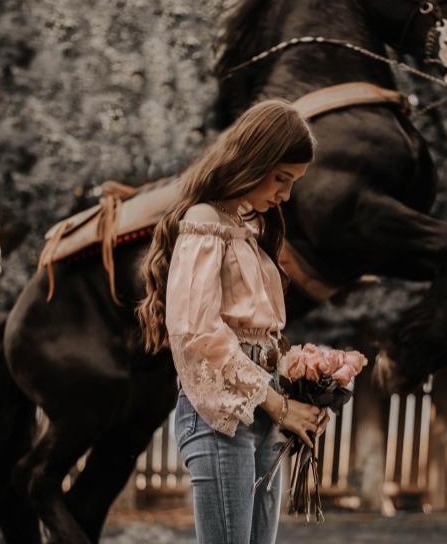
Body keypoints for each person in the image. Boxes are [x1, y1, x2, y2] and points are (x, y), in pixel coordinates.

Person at [137, 99, 330, 544]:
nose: (285, 194)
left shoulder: (247, 227)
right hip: (219, 416)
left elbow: (255, 330)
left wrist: (298, 380)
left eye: (293, 183)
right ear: (254, 159)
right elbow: (197, 330)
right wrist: (278, 404)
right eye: (281, 178)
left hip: (262, 409)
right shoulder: (204, 223)